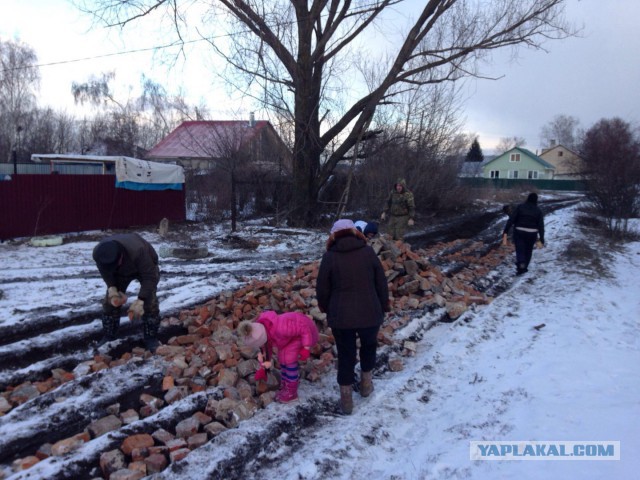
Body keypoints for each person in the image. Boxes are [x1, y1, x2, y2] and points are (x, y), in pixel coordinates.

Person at [316, 219, 390, 414]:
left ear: (333, 235)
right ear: (354, 232)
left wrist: (325, 307)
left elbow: (322, 288)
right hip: (370, 312)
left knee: (346, 353)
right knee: (369, 346)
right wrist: (384, 304)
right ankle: (366, 384)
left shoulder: (329, 257)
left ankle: (346, 399)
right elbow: (381, 282)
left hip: (341, 316)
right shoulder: (368, 252)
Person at [93, 233, 161, 351]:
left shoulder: (139, 251)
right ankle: (109, 335)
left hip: (146, 269)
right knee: (110, 302)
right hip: (120, 273)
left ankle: (151, 338)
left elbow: (150, 278)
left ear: (120, 257)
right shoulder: (99, 253)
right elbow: (105, 272)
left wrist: (141, 300)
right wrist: (112, 287)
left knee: (150, 303)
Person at [238, 311, 319, 403]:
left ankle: (291, 392)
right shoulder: (264, 329)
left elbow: (303, 327)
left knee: (288, 358)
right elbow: (266, 351)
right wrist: (263, 369)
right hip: (291, 337)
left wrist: (306, 347)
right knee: (282, 357)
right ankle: (286, 384)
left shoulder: (281, 328)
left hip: (308, 333)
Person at [502, 192, 545, 275]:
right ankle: (524, 267)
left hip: (519, 231)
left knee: (520, 249)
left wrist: (506, 230)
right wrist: (542, 238)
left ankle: (521, 263)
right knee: (528, 250)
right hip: (532, 233)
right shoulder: (538, 211)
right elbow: (541, 226)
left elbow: (512, 219)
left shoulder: (520, 207)